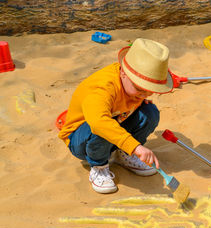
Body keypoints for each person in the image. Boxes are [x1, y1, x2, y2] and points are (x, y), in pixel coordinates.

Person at [58, 38, 174, 194]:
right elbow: (99, 123)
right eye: (140, 88)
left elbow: (133, 99)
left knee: (150, 113)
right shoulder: (103, 88)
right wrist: (136, 146)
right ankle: (98, 166)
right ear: (124, 73)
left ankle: (125, 154)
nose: (145, 93)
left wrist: (141, 98)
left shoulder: (132, 88)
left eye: (150, 89)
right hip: (81, 138)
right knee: (104, 128)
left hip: (117, 121)